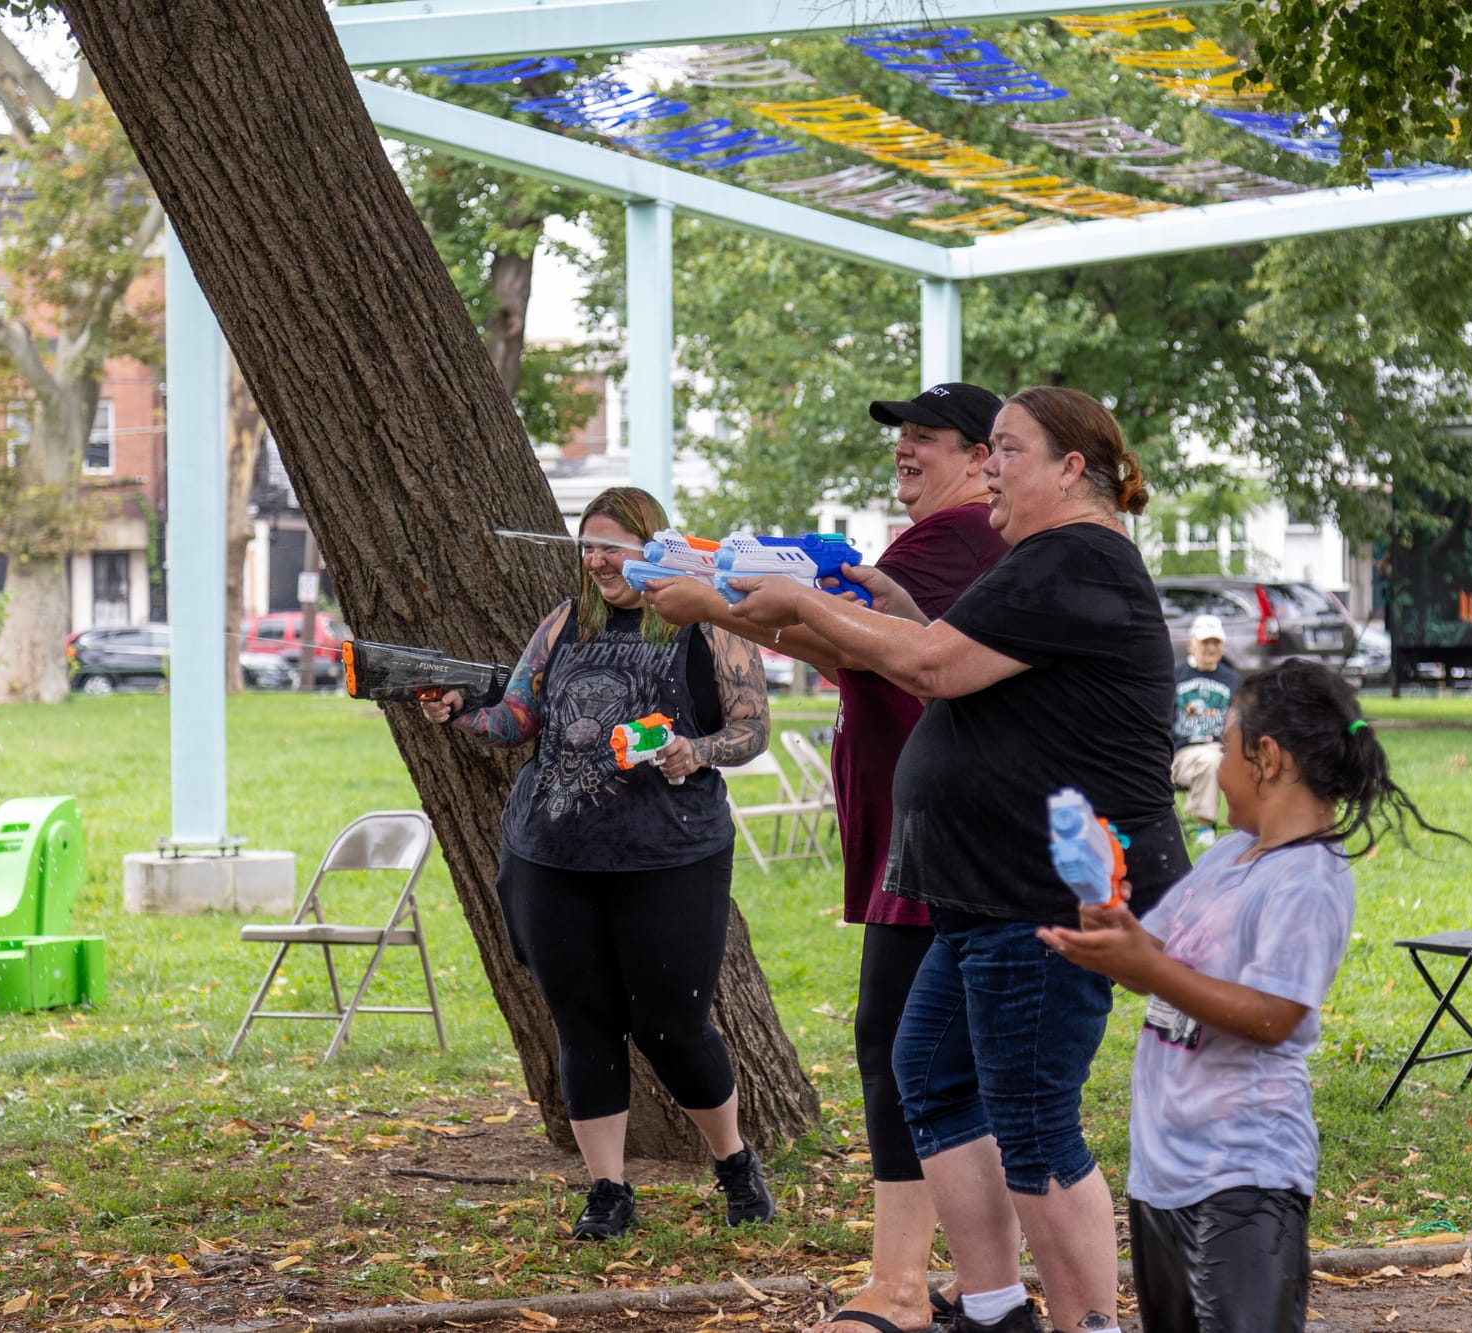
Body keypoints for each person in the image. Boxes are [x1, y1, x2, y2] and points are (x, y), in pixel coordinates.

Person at [726, 385, 1190, 1333]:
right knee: (930, 1075)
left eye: (1006, 451)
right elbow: (939, 649)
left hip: (1044, 894)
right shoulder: (1039, 560)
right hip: (983, 890)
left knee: (1032, 1120)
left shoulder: (1076, 556)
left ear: (1071, 468)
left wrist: (798, 602)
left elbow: (936, 666)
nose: (989, 471)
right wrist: (882, 601)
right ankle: (993, 1308)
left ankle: (1087, 1323)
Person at [640, 382, 1010, 1333]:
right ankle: (977, 1280)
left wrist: (710, 601)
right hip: (928, 832)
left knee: (901, 1050)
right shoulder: (945, 545)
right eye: (901, 437)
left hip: (934, 838)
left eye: (928, 438)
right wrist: (728, 585)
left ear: (981, 457)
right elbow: (852, 641)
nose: (905, 451)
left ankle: (904, 1284)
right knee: (935, 1056)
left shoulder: (951, 541)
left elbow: (852, 642)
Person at [1040, 661, 1450, 1333]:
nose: (1215, 767)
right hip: (1163, 1173)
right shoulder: (1226, 858)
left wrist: (1149, 962)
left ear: (1266, 758)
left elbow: (1275, 1014)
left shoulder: (1310, 880)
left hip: (1245, 1176)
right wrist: (1104, 909)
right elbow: (1154, 960)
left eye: (1223, 748)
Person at [421, 486, 778, 1241]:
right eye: (588, 546)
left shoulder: (704, 617)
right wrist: (458, 709)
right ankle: (608, 1191)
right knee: (581, 1021)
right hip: (552, 855)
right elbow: (517, 717)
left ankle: (736, 1163)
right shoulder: (564, 622)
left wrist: (695, 750)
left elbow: (752, 729)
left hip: (669, 856)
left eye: (612, 545)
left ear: (654, 549)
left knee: (673, 1025)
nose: (597, 560)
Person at [1170, 614, 1241, 848]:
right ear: (1191, 643)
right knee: (1211, 761)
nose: (1211, 648)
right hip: (1183, 753)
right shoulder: (1174, 676)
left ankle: (1253, 829)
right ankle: (1204, 828)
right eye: (1205, 642)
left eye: (1216, 642)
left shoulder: (1233, 680)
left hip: (1223, 751)